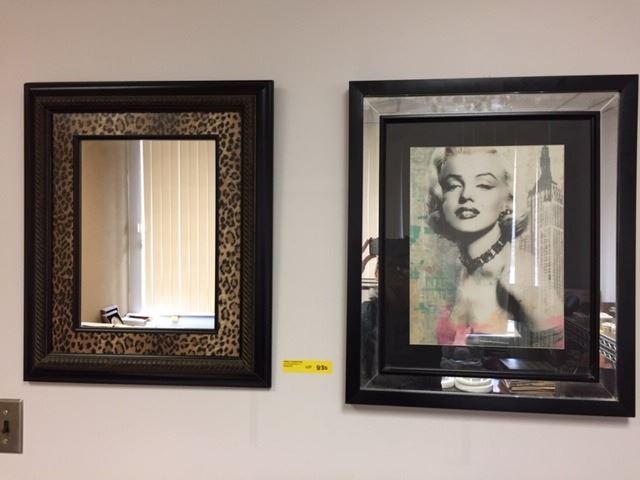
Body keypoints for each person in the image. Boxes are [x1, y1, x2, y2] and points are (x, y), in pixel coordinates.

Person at [425, 146, 563, 348]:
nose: (466, 195)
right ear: (441, 198)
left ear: (508, 199)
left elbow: (555, 355)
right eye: (453, 185)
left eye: (483, 185)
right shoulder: (452, 270)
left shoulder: (522, 272)